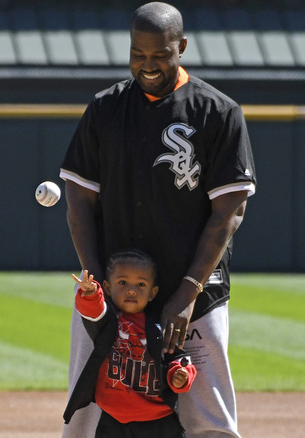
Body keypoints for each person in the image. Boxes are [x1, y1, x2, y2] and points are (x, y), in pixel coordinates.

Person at [59, 2, 255, 437]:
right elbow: (78, 197)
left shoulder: (217, 113)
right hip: (115, 295)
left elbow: (230, 210)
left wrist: (186, 293)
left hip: (195, 297)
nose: (147, 65)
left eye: (160, 55)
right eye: (138, 54)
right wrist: (98, 285)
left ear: (181, 47)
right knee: (86, 418)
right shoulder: (106, 108)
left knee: (208, 421)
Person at [63, 249, 197, 437]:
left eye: (141, 284)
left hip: (159, 420)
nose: (131, 290)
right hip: (113, 420)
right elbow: (94, 312)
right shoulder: (109, 324)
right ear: (108, 288)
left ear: (153, 292)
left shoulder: (160, 325)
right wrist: (92, 293)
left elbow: (180, 357)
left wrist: (180, 374)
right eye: (122, 282)